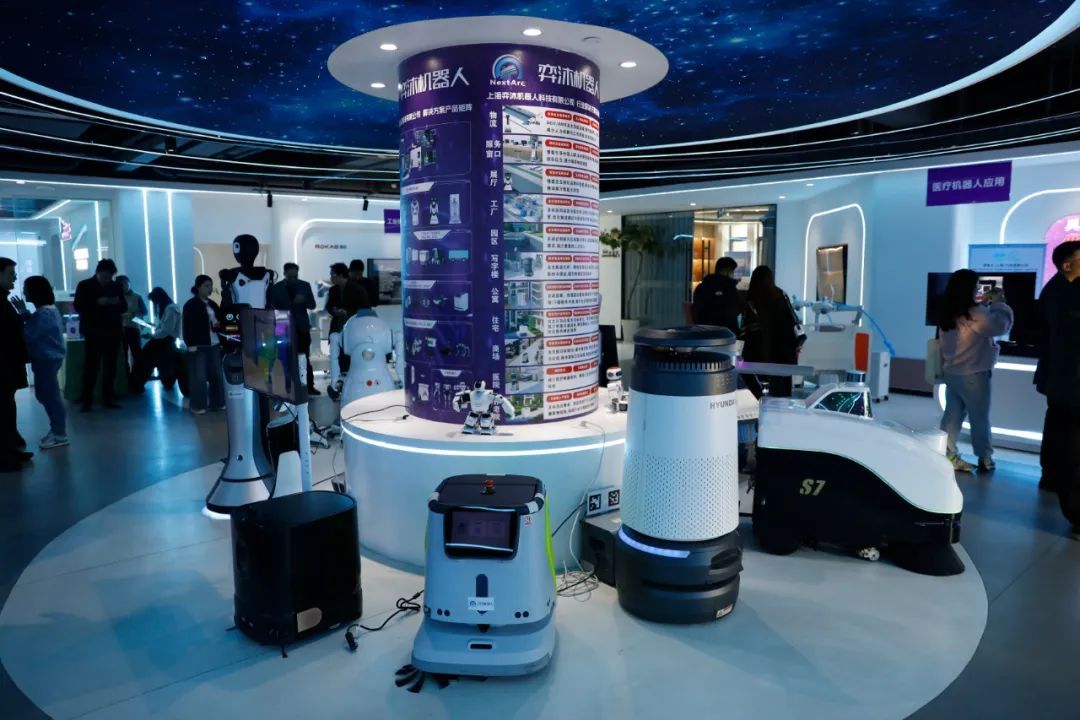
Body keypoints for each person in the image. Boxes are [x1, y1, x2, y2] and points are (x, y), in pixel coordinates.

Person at [936, 269, 1014, 473]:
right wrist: (999, 303)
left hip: (952, 372)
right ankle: (985, 458)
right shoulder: (975, 313)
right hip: (974, 374)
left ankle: (947, 453)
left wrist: (986, 306)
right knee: (979, 417)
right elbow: (999, 326)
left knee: (952, 416)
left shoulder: (948, 312)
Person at [1033, 240, 1080, 539]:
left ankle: (1051, 478)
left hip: (1062, 383)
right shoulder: (1064, 295)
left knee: (1061, 436)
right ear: (1067, 264)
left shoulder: (1056, 290)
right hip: (1070, 384)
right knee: (1072, 447)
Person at [15, 276, 68, 449]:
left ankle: (59, 434)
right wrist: (24, 313)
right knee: (47, 395)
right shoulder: (47, 311)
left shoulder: (43, 314)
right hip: (48, 359)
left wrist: (20, 318)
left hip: (46, 359)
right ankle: (57, 430)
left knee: (50, 397)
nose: (24, 292)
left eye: (26, 288)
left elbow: (29, 334)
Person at [740, 266, 800, 398]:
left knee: (743, 369)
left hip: (758, 350)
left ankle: (760, 396)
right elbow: (791, 320)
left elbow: (745, 325)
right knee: (782, 383)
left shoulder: (751, 298)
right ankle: (780, 402)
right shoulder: (780, 294)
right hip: (782, 350)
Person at [73, 259, 124, 411]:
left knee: (110, 367)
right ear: (98, 272)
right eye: (105, 276)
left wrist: (116, 302)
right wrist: (97, 302)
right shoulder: (85, 285)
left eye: (110, 277)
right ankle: (87, 400)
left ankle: (108, 398)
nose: (108, 279)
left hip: (113, 331)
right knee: (91, 366)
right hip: (93, 332)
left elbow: (124, 307)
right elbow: (78, 306)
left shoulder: (115, 286)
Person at [0, 257, 32, 472]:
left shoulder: (4, 299)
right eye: (10, 274)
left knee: (7, 407)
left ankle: (10, 450)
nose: (14, 278)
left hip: (8, 363)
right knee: (3, 409)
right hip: (3, 364)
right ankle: (4, 456)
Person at [271, 263, 320, 395]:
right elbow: (272, 307)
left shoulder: (304, 285)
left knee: (304, 357)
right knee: (284, 357)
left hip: (301, 327)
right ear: (284, 274)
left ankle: (309, 386)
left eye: (295, 276)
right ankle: (287, 386)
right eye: (290, 276)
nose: (293, 279)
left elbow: (312, 305)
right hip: (283, 327)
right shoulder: (276, 288)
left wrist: (304, 300)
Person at [325, 262, 370, 399]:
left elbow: (365, 308)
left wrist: (348, 312)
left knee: (353, 359)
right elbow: (329, 307)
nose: (331, 277)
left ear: (340, 275)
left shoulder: (357, 289)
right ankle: (341, 388)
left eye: (333, 275)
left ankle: (356, 389)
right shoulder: (333, 290)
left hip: (354, 329)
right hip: (338, 327)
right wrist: (335, 311)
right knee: (339, 358)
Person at [182, 275, 225, 415]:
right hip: (199, 345)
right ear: (198, 287)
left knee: (216, 375)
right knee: (199, 377)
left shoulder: (213, 304)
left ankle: (217, 402)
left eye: (211, 285)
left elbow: (220, 322)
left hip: (214, 343)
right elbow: (187, 326)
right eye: (206, 286)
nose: (210, 288)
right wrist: (190, 343)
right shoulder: (191, 305)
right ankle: (198, 405)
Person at [133, 287, 182, 391]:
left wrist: (152, 335)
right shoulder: (169, 308)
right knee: (165, 364)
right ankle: (167, 382)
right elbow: (166, 327)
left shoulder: (170, 309)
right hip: (165, 341)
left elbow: (166, 330)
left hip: (164, 341)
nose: (155, 304)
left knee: (148, 360)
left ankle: (137, 384)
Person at [692, 256, 742, 332]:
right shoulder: (729, 288)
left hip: (703, 331)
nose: (733, 274)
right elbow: (736, 310)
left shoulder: (701, 287)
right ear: (727, 271)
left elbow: (696, 310)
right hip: (726, 332)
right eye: (732, 271)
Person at [116, 275, 148, 388]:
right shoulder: (117, 298)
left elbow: (145, 311)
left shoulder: (137, 297)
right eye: (121, 284)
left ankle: (137, 380)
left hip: (134, 328)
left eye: (125, 283)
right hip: (121, 329)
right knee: (123, 355)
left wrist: (135, 313)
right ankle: (126, 381)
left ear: (129, 283)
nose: (123, 286)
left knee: (137, 354)